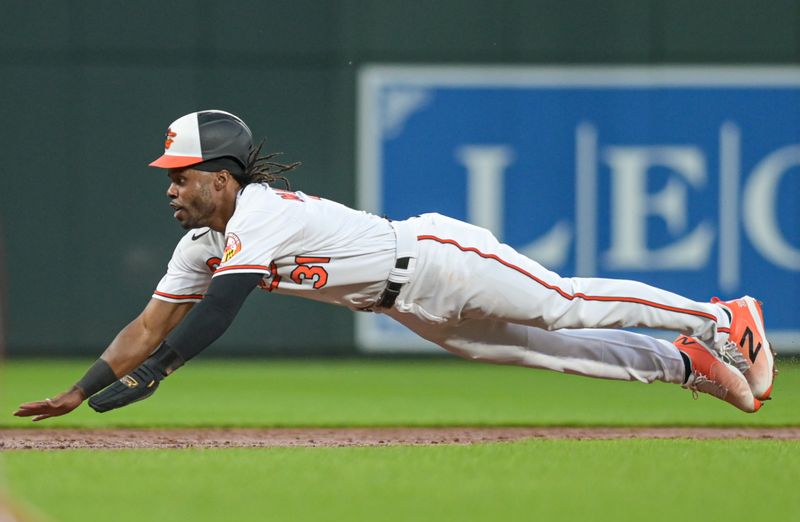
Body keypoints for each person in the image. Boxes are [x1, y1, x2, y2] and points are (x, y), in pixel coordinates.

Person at [15, 110, 776, 421]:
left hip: (440, 259)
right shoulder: (201, 245)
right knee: (536, 349)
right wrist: (81, 391)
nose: (172, 187)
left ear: (223, 176)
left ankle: (721, 318)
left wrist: (165, 372)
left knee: (561, 305)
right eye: (170, 177)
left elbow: (220, 311)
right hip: (405, 304)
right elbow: (148, 326)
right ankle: (682, 365)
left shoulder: (261, 211)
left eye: (181, 174)